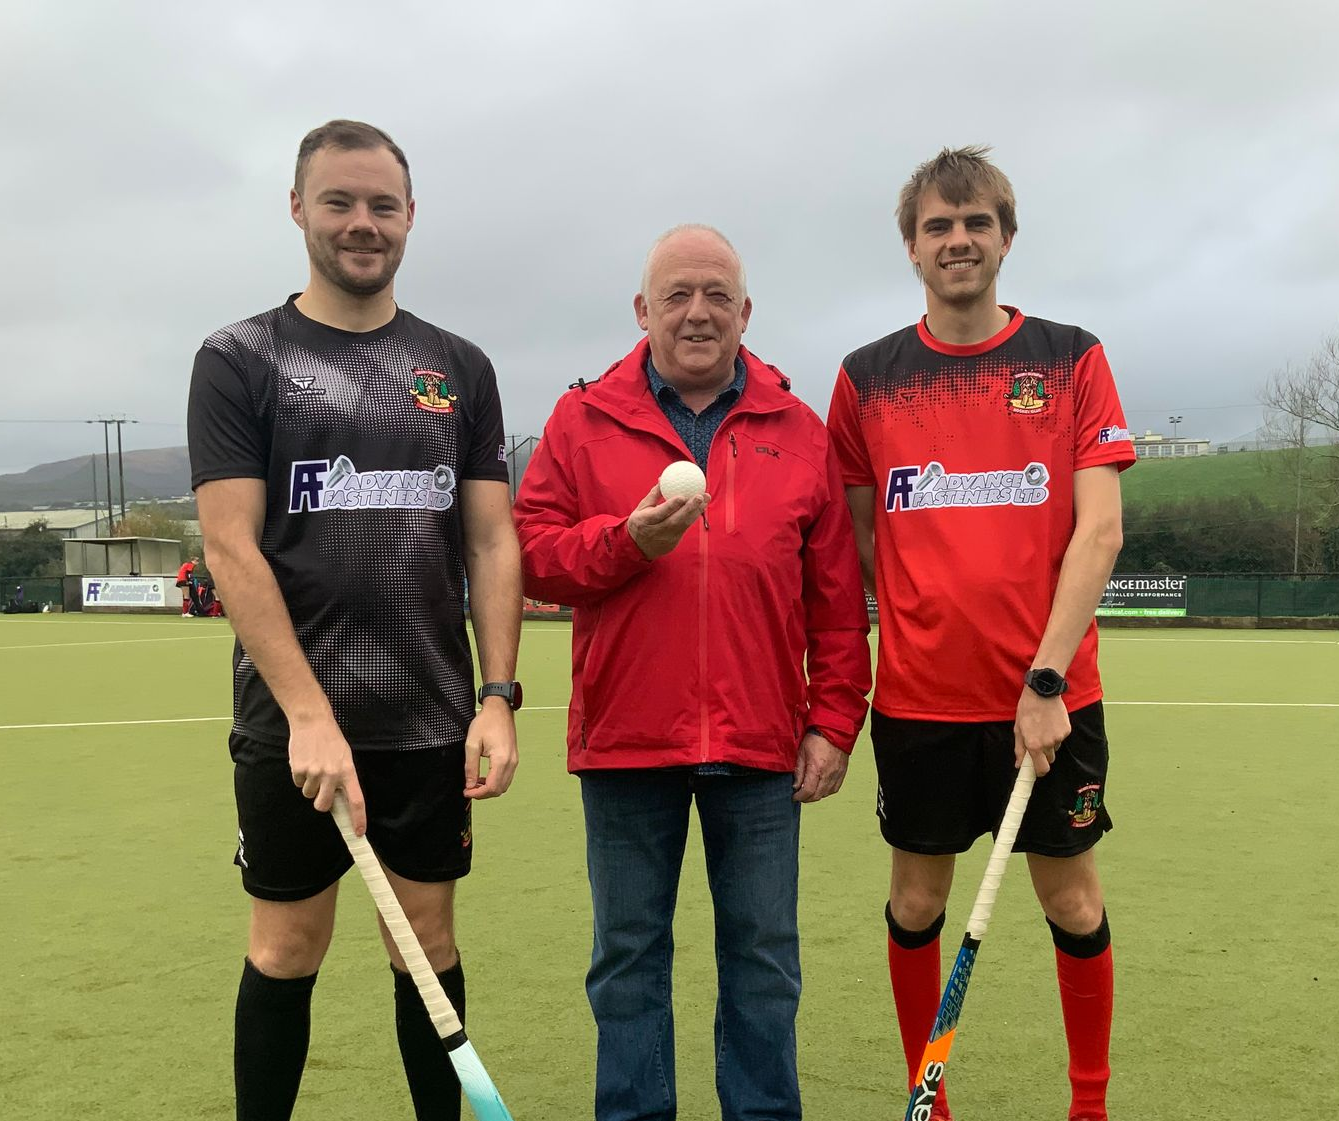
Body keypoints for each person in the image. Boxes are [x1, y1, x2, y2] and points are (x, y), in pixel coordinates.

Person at [187, 119, 523, 1121]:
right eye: (338, 201)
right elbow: (231, 548)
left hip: (426, 719)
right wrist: (308, 715)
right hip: (290, 729)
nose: (362, 222)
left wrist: (497, 696)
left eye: (382, 204)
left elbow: (490, 542)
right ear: (298, 208)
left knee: (426, 943)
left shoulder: (457, 365)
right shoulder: (240, 357)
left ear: (411, 216)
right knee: (286, 946)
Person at [514, 225, 872, 1121]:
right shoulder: (581, 419)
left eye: (717, 295)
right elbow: (532, 555)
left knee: (763, 959)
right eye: (677, 294)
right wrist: (623, 543)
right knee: (628, 959)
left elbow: (836, 602)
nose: (698, 312)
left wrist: (833, 722)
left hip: (760, 745)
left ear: (745, 312)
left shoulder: (800, 430)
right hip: (627, 740)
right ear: (643, 310)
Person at [826, 147, 1134, 1121]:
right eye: (938, 225)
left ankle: (1089, 1104)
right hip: (919, 704)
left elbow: (1099, 529)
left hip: (1051, 701)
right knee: (917, 903)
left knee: (1070, 902)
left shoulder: (1070, 357)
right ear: (912, 246)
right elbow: (862, 538)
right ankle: (933, 1099)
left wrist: (1043, 681)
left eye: (975, 223)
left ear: (1005, 237)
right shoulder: (866, 379)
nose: (957, 240)